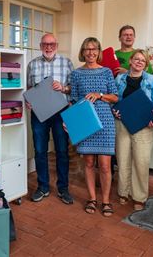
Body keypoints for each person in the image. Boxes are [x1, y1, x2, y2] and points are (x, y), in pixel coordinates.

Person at [69, 37, 118, 216]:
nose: (91, 52)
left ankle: (105, 200)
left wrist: (99, 94)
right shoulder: (76, 74)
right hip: (85, 121)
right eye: (87, 49)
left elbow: (115, 96)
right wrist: (70, 122)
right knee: (88, 163)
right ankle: (92, 198)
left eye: (94, 49)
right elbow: (73, 100)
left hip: (105, 121)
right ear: (82, 52)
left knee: (105, 165)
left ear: (99, 51)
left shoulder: (106, 72)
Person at [26, 33, 74, 204]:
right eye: (45, 44)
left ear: (56, 45)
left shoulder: (67, 63)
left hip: (61, 112)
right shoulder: (32, 65)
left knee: (62, 151)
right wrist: (29, 100)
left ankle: (63, 188)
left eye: (52, 44)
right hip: (39, 113)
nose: (48, 47)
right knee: (40, 150)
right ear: (40, 46)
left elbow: (73, 89)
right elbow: (28, 88)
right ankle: (43, 187)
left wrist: (63, 88)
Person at [113, 49, 153, 211]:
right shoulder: (120, 78)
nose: (139, 62)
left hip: (143, 125)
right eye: (136, 59)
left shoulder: (151, 80)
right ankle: (123, 192)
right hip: (122, 123)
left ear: (146, 65)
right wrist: (115, 109)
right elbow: (115, 99)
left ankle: (139, 197)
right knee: (123, 159)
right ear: (131, 61)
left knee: (141, 161)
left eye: (143, 60)